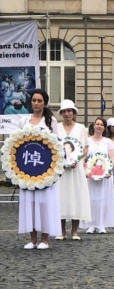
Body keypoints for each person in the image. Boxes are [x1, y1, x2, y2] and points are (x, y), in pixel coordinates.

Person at [18, 89, 61, 249]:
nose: (36, 103)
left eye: (39, 101)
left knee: (44, 202)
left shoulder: (51, 121)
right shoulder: (24, 120)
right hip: (27, 167)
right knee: (30, 202)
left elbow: (57, 145)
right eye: (34, 100)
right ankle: (32, 238)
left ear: (44, 103)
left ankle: (44, 239)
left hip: (45, 169)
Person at [56, 99, 92, 241]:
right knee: (61, 196)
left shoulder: (81, 128)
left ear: (73, 112)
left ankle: (74, 231)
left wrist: (76, 159)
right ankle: (61, 231)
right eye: (64, 111)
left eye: (69, 111)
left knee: (76, 196)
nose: (67, 114)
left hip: (76, 169)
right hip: (60, 169)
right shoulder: (56, 128)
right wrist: (62, 161)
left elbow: (85, 148)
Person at [84, 117, 114, 234]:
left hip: (104, 175)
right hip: (90, 175)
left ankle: (101, 224)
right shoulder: (87, 141)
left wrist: (109, 170)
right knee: (91, 199)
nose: (99, 126)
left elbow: (111, 158)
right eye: (97, 124)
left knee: (103, 198)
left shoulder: (108, 142)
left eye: (101, 125)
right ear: (93, 126)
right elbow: (84, 157)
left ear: (104, 128)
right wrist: (85, 170)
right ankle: (91, 224)